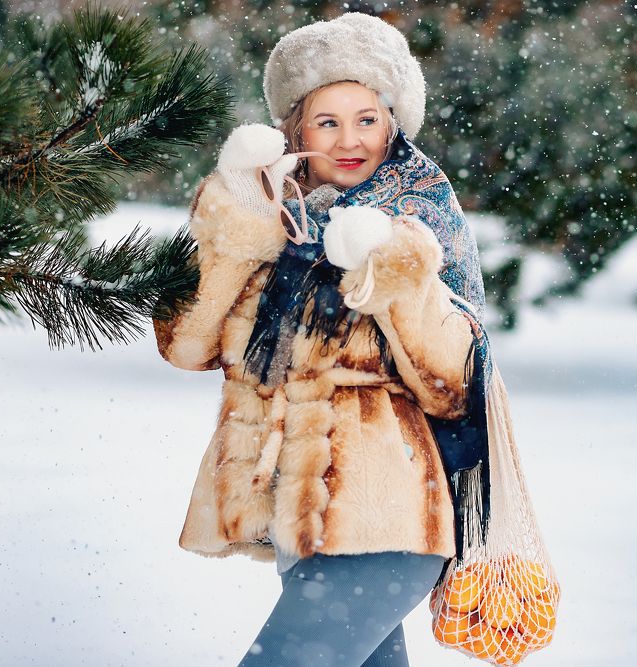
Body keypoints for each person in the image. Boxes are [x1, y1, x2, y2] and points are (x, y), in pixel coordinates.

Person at [153, 12, 489, 666]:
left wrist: (390, 272)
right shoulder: (273, 220)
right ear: (295, 131)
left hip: (386, 522)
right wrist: (236, 228)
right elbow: (186, 346)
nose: (349, 140)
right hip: (301, 525)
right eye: (327, 122)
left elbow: (456, 382)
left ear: (392, 124)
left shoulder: (418, 215)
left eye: (366, 119)